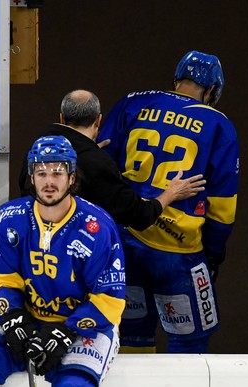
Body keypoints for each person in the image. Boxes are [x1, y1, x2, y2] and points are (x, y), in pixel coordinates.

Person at [97, 50, 240, 353]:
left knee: (130, 334)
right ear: (212, 90)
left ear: (176, 80)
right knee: (190, 341)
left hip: (125, 241)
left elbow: (101, 166)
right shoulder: (219, 125)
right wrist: (213, 251)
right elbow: (223, 204)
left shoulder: (132, 103)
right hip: (179, 252)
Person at [0, 136, 125, 387]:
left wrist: (67, 330)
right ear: (31, 177)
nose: (49, 181)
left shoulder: (98, 227)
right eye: (41, 173)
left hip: (81, 327)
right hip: (29, 316)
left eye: (58, 173)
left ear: (72, 177)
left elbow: (110, 298)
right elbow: (0, 277)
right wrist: (14, 316)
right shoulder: (9, 218)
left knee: (74, 384)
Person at [19, 89, 206, 231]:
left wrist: (88, 152)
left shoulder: (37, 147)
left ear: (61, 117)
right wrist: (171, 193)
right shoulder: (98, 164)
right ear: (98, 121)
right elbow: (139, 216)